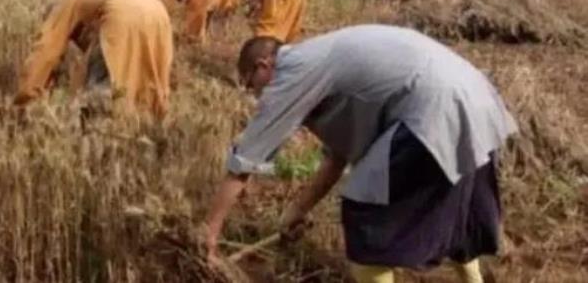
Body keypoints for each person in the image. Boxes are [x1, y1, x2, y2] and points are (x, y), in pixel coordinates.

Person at [203, 25, 518, 283]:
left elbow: (243, 163)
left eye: (251, 84)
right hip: (474, 98)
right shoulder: (319, 59)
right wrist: (297, 210)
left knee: (366, 222)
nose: (255, 95)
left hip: (433, 109)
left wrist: (210, 234)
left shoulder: (291, 74)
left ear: (264, 67)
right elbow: (337, 158)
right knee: (454, 207)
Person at [14, 0, 173, 119]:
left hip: (121, 14)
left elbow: (46, 51)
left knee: (103, 83)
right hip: (158, 12)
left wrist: (26, 98)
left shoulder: (65, 10)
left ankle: (98, 123)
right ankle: (150, 118)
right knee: (143, 77)